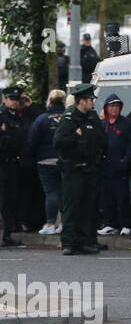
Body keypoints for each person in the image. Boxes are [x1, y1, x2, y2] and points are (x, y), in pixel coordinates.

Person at [53, 84, 106, 255]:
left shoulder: (92, 117)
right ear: (81, 101)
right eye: (90, 100)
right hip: (73, 169)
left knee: (89, 208)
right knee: (72, 208)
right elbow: (59, 142)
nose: (93, 103)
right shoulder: (69, 118)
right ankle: (69, 243)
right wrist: (76, 136)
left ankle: (86, 242)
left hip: (90, 169)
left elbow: (102, 140)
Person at [29, 90, 67, 236]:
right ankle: (64, 223)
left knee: (51, 192)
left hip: (45, 161)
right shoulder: (68, 117)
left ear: (49, 101)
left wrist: (34, 157)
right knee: (64, 192)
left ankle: (50, 223)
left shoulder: (42, 119)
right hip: (64, 160)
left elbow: (32, 141)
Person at [98, 94, 131, 237]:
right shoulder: (101, 124)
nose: (115, 108)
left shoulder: (127, 123)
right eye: (112, 106)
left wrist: (125, 161)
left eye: (117, 106)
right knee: (106, 198)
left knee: (123, 198)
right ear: (106, 107)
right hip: (105, 168)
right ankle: (110, 224)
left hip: (121, 168)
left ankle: (126, 224)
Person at [0, 86, 27, 246]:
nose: (15, 102)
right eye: (12, 99)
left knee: (11, 199)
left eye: (17, 100)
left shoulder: (17, 117)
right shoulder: (2, 116)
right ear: (5, 99)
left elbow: (21, 139)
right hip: (2, 163)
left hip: (13, 163)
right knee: (2, 200)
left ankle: (7, 234)